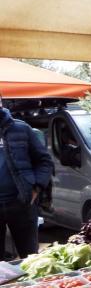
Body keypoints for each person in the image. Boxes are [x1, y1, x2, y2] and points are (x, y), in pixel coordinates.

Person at [0, 94, 54, 259]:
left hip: (22, 202)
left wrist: (36, 187)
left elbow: (44, 161)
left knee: (30, 258)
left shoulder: (21, 129)